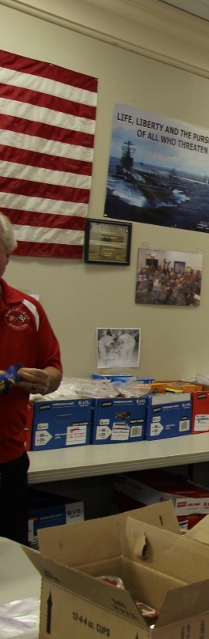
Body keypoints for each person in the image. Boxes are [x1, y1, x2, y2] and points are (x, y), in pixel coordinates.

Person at [0, 212, 63, 545]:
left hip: (7, 461)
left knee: (8, 561)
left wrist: (44, 381)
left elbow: (54, 370)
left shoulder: (28, 310)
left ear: (7, 255)